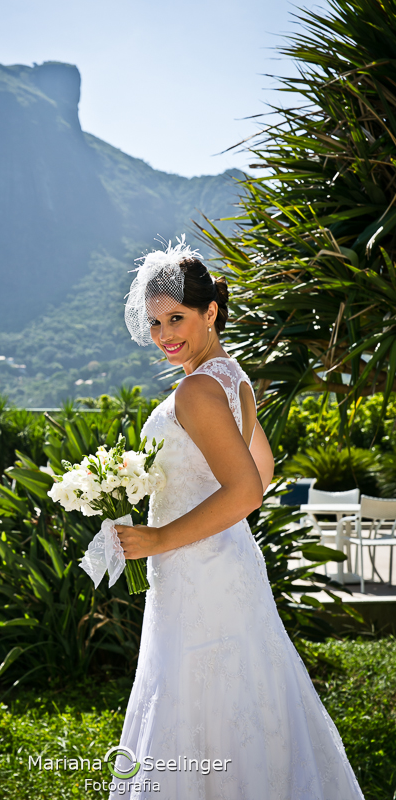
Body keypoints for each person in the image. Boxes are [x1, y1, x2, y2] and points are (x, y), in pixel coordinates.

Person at [111, 237, 364, 800]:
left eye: (176, 317)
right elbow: (264, 467)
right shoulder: (233, 378)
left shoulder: (200, 388)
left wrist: (160, 535)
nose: (165, 335)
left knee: (200, 695)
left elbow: (247, 487)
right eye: (154, 323)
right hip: (226, 563)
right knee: (245, 690)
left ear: (211, 313)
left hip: (196, 567)